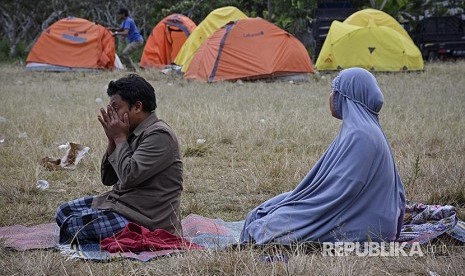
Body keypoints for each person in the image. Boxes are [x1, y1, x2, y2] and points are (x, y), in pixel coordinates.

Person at [240, 67, 406, 244]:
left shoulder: (361, 134)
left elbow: (340, 191)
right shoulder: (361, 130)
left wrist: (301, 207)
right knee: (269, 209)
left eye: (335, 90)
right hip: (366, 213)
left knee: (266, 226)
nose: (331, 96)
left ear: (348, 96)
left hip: (367, 225)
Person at [55, 74, 183, 244]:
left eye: (116, 108)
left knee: (72, 227)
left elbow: (129, 176)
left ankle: (127, 233)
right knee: (63, 212)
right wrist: (112, 140)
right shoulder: (130, 130)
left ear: (137, 107)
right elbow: (108, 179)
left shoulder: (160, 135)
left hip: (145, 218)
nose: (112, 115)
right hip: (122, 204)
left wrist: (120, 139)